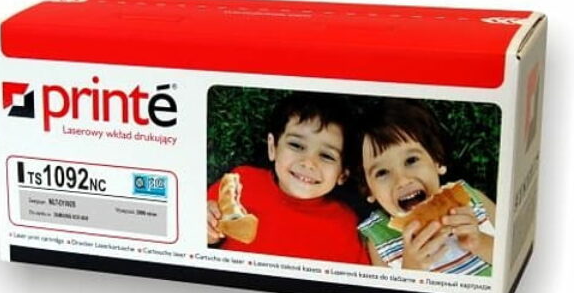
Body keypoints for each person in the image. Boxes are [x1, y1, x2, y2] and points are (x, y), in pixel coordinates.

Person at [207, 92, 369, 264]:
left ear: (342, 174)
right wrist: (207, 227)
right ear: (273, 147)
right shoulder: (241, 183)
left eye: (327, 156)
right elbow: (195, 230)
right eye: (296, 145)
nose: (309, 163)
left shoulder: (345, 225)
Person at [358, 99, 495, 275]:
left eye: (411, 160)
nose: (402, 180)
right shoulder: (380, 239)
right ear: (369, 190)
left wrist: (480, 242)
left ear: (437, 161)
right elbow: (390, 292)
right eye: (382, 172)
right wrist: (411, 269)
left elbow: (511, 253)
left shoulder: (471, 199)